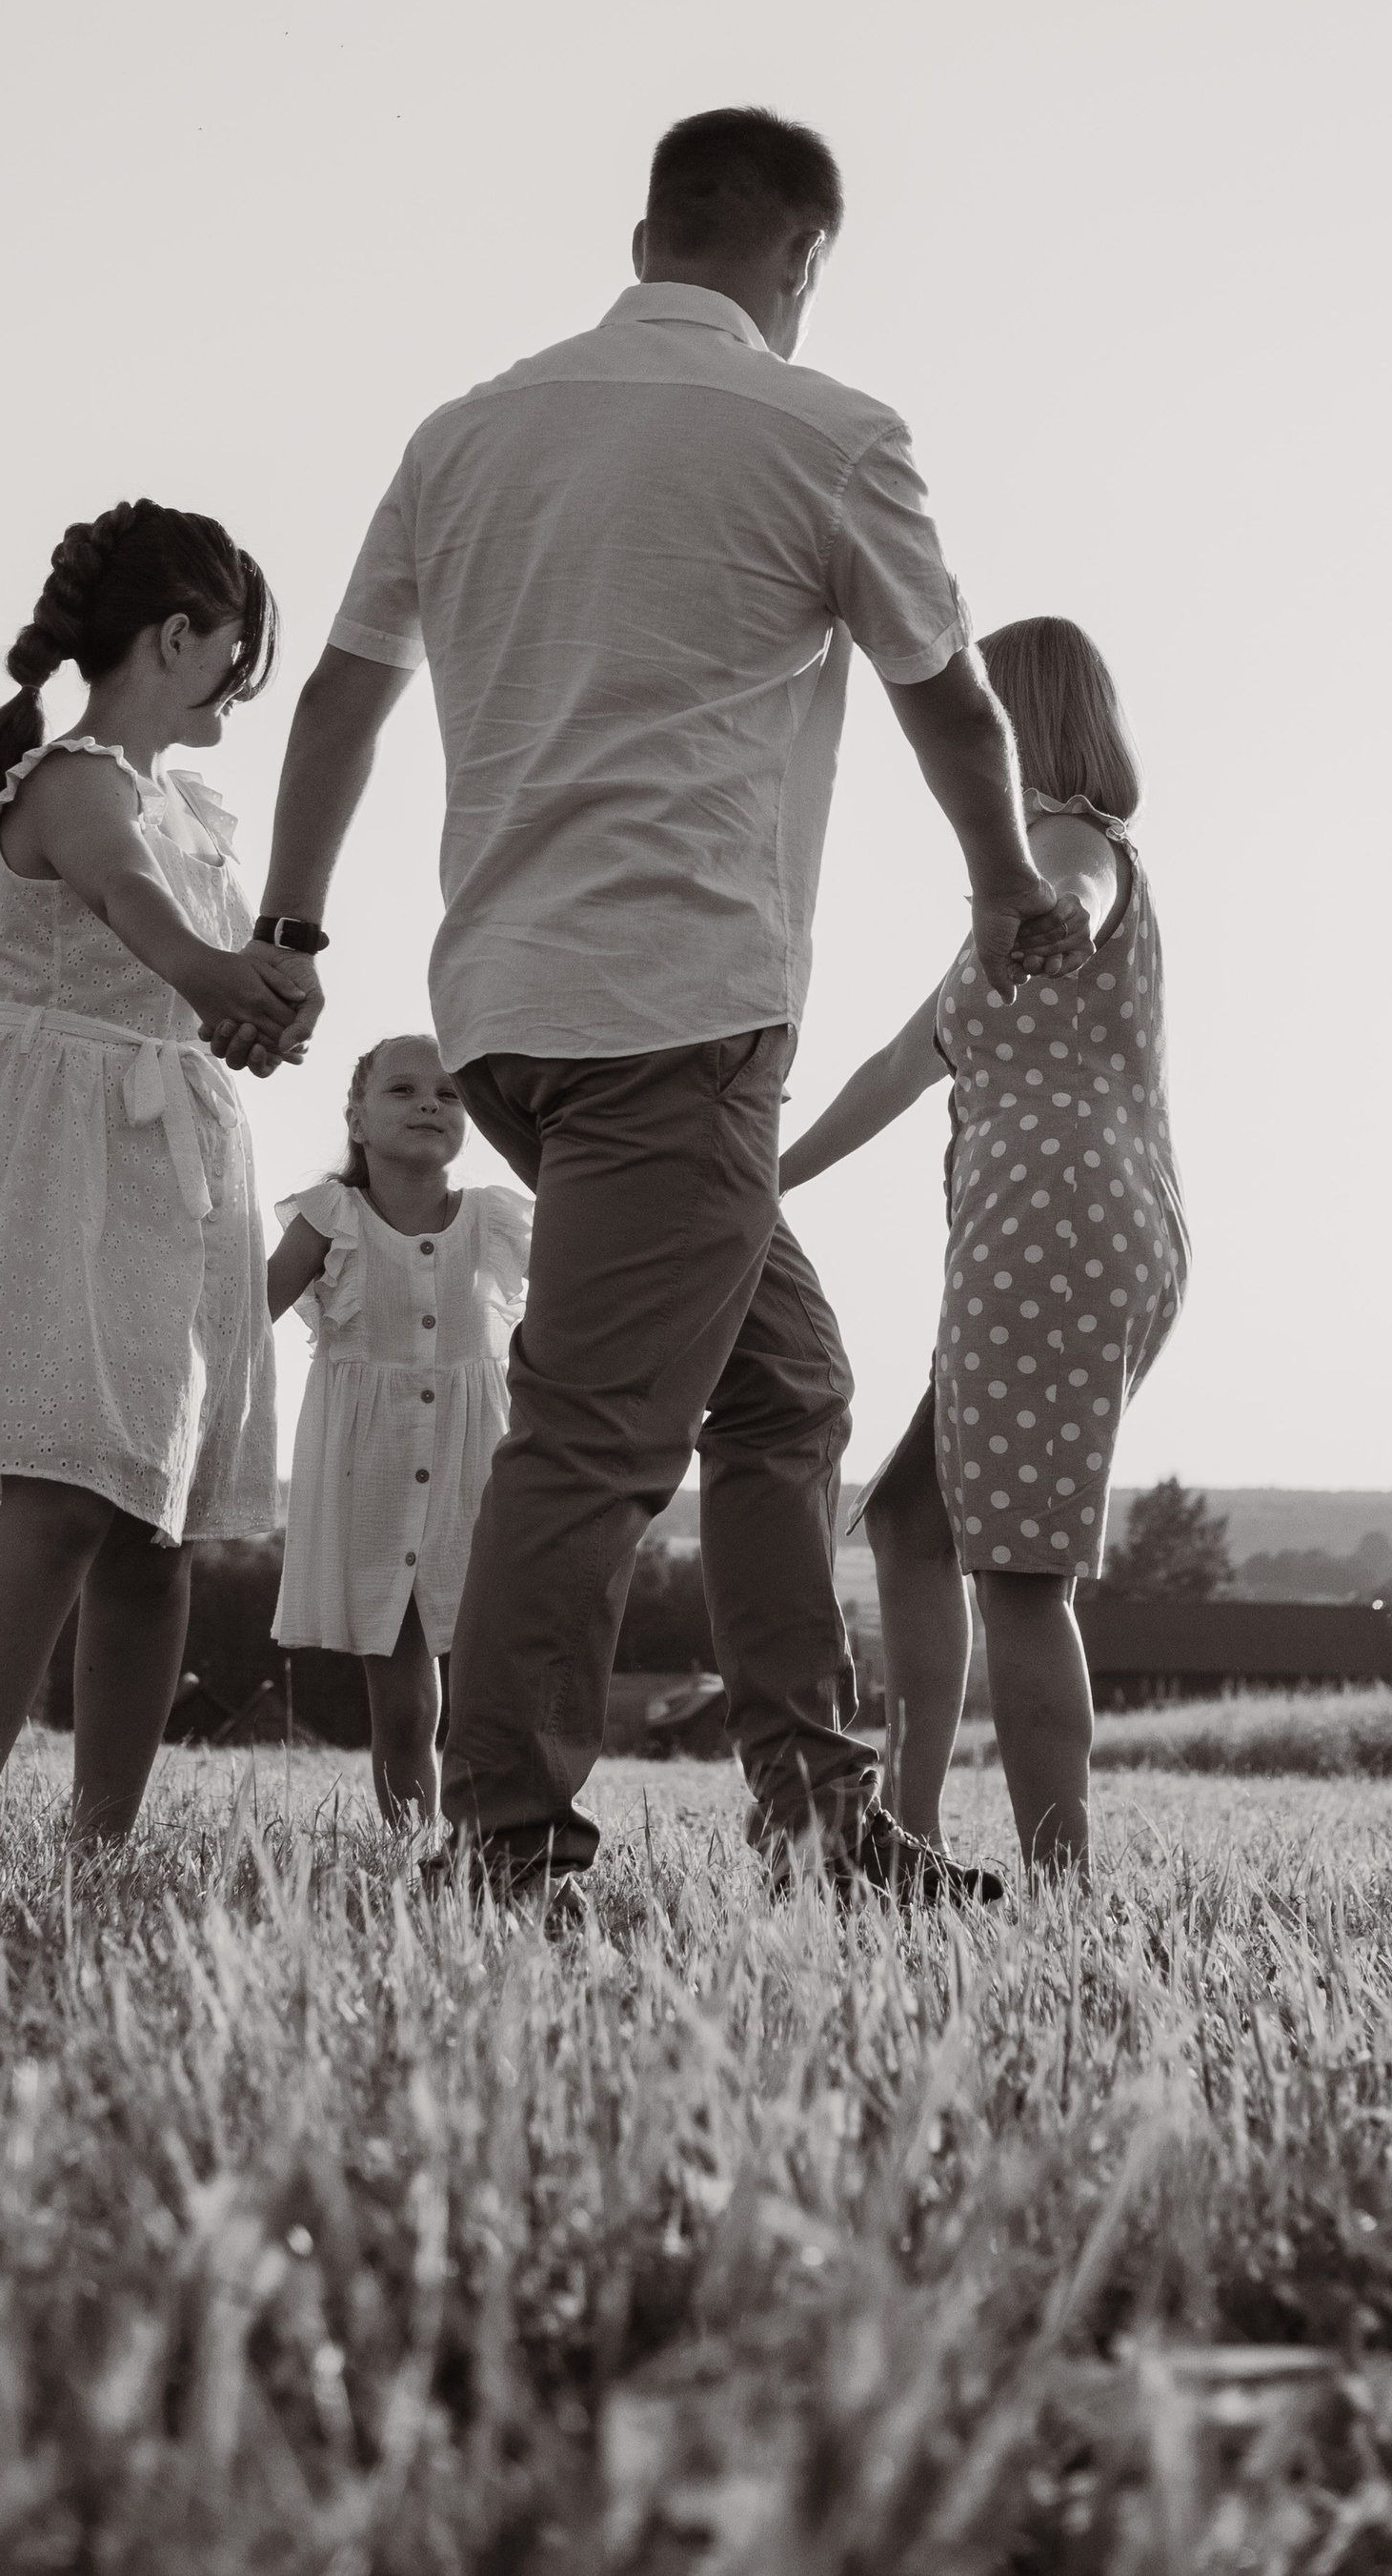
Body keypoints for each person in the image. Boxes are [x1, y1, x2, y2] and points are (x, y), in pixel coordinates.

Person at [219, 107, 1085, 1906]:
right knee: (600, 1437)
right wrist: (1007, 889)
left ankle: (816, 1810)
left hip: (508, 1018)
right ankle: (508, 1838)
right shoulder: (829, 433)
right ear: (800, 263)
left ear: (640, 243)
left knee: (782, 1389)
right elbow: (948, 701)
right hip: (676, 1017)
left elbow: (340, 699)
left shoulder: (462, 434)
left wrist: (294, 926)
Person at [0, 499, 302, 1842]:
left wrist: (253, 1015)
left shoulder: (184, 804)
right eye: (230, 656)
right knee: (63, 1491)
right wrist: (224, 982)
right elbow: (131, 904)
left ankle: (97, 1848)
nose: (236, 687)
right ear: (176, 636)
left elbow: (189, 954)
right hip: (72, 1147)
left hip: (172, 1156)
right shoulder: (70, 786)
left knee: (154, 1525)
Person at [778, 618, 1188, 1876]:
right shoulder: (1001, 903)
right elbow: (898, 1065)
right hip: (1041, 1234)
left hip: (1056, 1234)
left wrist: (1046, 901)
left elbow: (1081, 890)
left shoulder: (1066, 843)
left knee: (1016, 1575)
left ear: (1012, 723)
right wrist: (756, 1180)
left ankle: (1059, 1895)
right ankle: (900, 1835)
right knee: (908, 1522)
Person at [267, 1035, 534, 1826]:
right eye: (403, 1090)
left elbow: (575, 1316)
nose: (429, 1104)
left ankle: (494, 1832)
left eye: (450, 1094)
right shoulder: (329, 1216)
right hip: (368, 1468)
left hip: (475, 1463)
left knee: (492, 1672)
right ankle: (410, 1844)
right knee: (405, 1698)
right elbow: (243, 1316)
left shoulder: (496, 1217)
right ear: (355, 1116)